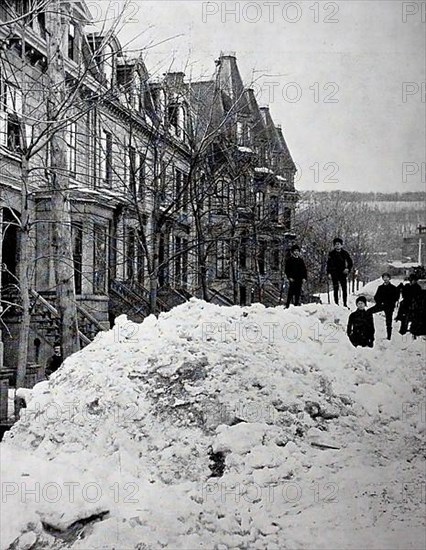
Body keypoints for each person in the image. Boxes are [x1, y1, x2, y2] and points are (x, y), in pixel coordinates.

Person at [368, 272, 400, 340]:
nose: (385, 279)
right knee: (368, 311)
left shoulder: (393, 288)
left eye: (387, 277)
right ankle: (370, 330)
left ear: (389, 278)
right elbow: (376, 297)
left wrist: (390, 303)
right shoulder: (380, 287)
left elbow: (396, 298)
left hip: (389, 306)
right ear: (382, 278)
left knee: (389, 322)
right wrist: (380, 302)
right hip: (381, 305)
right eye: (384, 277)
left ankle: (389, 336)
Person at [327, 238, 353, 307]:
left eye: (339, 244)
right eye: (336, 244)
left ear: (341, 245)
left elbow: (350, 262)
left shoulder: (345, 253)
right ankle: (336, 304)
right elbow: (328, 264)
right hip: (334, 273)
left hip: (342, 273)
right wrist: (329, 273)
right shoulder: (331, 253)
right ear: (334, 245)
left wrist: (348, 269)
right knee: (335, 288)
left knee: (344, 288)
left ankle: (345, 304)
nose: (337, 246)